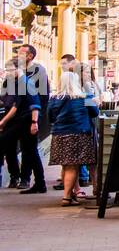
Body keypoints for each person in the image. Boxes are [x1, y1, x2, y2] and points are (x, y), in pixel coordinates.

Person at [47, 69, 95, 206]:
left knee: (65, 166)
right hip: (78, 134)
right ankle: (67, 197)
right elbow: (95, 112)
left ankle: (71, 194)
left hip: (59, 134)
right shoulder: (84, 97)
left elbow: (50, 117)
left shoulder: (54, 99)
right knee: (72, 167)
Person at [17, 44, 48, 194]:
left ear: (30, 56)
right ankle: (28, 179)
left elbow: (40, 97)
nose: (18, 55)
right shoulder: (21, 72)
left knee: (30, 149)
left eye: (21, 53)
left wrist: (36, 117)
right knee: (27, 149)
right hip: (22, 115)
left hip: (31, 115)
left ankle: (36, 181)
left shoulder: (37, 72)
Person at [0, 63, 26, 187]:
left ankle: (24, 178)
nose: (8, 72)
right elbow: (4, 99)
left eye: (10, 69)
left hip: (21, 119)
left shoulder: (23, 83)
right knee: (9, 149)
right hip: (9, 118)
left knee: (27, 150)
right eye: (7, 69)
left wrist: (3, 121)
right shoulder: (7, 82)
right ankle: (14, 177)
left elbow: (16, 105)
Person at [78, 62, 100, 191]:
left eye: (87, 72)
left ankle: (92, 183)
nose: (86, 74)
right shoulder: (83, 89)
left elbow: (94, 108)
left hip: (89, 124)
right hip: (84, 124)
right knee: (84, 157)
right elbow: (92, 106)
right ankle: (86, 182)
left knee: (91, 157)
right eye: (83, 72)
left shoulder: (89, 87)